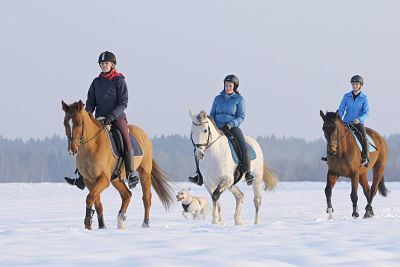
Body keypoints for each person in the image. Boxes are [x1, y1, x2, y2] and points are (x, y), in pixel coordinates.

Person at [65, 51, 139, 189]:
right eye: (102, 63)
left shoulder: (119, 80)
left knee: (124, 138)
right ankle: (80, 176)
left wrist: (112, 115)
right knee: (83, 138)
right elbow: (90, 102)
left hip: (117, 118)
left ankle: (130, 173)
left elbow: (123, 102)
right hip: (99, 119)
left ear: (112, 64)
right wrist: (86, 115)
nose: (104, 65)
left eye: (106, 63)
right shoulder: (96, 82)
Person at [188, 74, 255, 186]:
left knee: (243, 146)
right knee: (199, 147)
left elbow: (241, 116)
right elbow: (212, 114)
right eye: (226, 85)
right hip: (217, 127)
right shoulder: (217, 98)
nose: (227, 87)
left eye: (230, 85)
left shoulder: (239, 99)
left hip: (232, 127)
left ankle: (248, 172)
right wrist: (212, 125)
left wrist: (230, 124)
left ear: (234, 87)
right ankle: (198, 174)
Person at [322, 75, 370, 166]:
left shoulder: (364, 98)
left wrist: (359, 119)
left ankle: (365, 157)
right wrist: (337, 119)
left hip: (358, 123)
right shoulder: (346, 96)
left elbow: (366, 112)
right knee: (332, 134)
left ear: (360, 85)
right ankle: (329, 155)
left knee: (363, 136)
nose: (354, 86)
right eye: (353, 84)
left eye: (356, 84)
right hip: (346, 121)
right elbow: (341, 109)